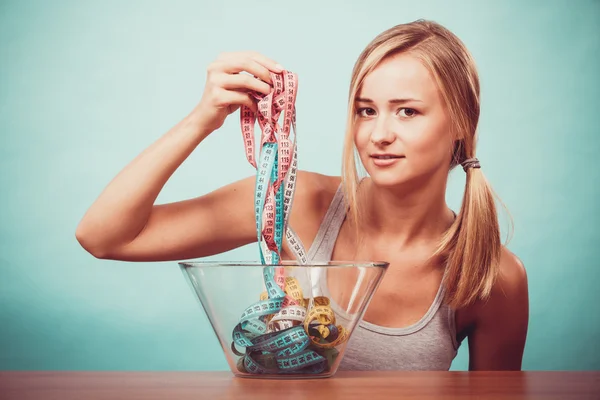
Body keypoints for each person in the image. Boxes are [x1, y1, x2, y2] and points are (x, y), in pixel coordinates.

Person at [75, 19, 529, 371]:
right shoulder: (292, 201)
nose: (379, 134)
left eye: (407, 111)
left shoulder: (493, 275)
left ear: (460, 125)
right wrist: (202, 119)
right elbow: (105, 237)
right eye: (366, 111)